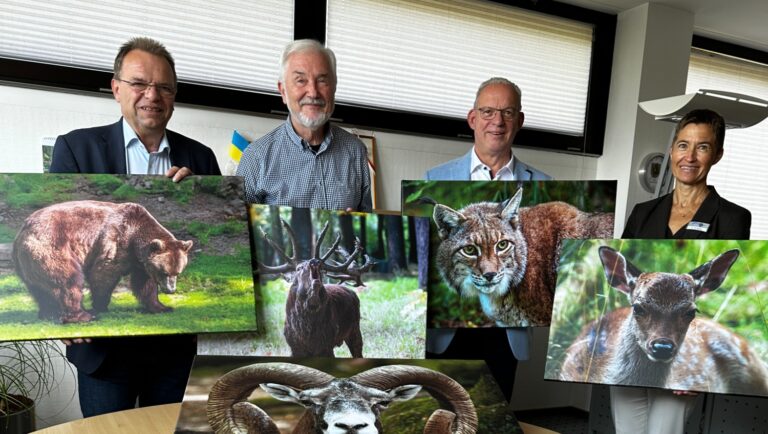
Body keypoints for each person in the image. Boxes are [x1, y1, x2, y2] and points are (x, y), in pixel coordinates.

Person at [50, 37, 221, 417]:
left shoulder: (200, 158)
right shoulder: (76, 149)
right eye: (139, 83)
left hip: (175, 352)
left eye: (163, 87)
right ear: (116, 88)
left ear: (174, 96)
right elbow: (60, 241)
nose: (152, 95)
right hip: (103, 352)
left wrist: (196, 198)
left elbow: (207, 246)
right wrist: (61, 306)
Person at [614, 108, 750, 434]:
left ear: (716, 154)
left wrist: (694, 368)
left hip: (679, 358)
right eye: (682, 145)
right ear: (672, 149)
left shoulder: (732, 218)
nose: (689, 156)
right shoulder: (643, 213)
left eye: (702, 147)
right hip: (634, 355)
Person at [424, 77, 551, 399]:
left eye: (508, 113)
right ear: (472, 118)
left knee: (496, 412)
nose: (497, 121)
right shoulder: (435, 178)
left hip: (507, 330)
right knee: (444, 409)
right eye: (488, 112)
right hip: (447, 334)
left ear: (519, 121)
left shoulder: (542, 183)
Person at [236, 39, 372, 211]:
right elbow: (234, 232)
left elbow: (366, 229)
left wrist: (355, 230)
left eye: (322, 81)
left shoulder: (356, 151)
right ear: (283, 91)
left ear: (334, 88)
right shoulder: (255, 157)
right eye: (301, 80)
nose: (313, 92)